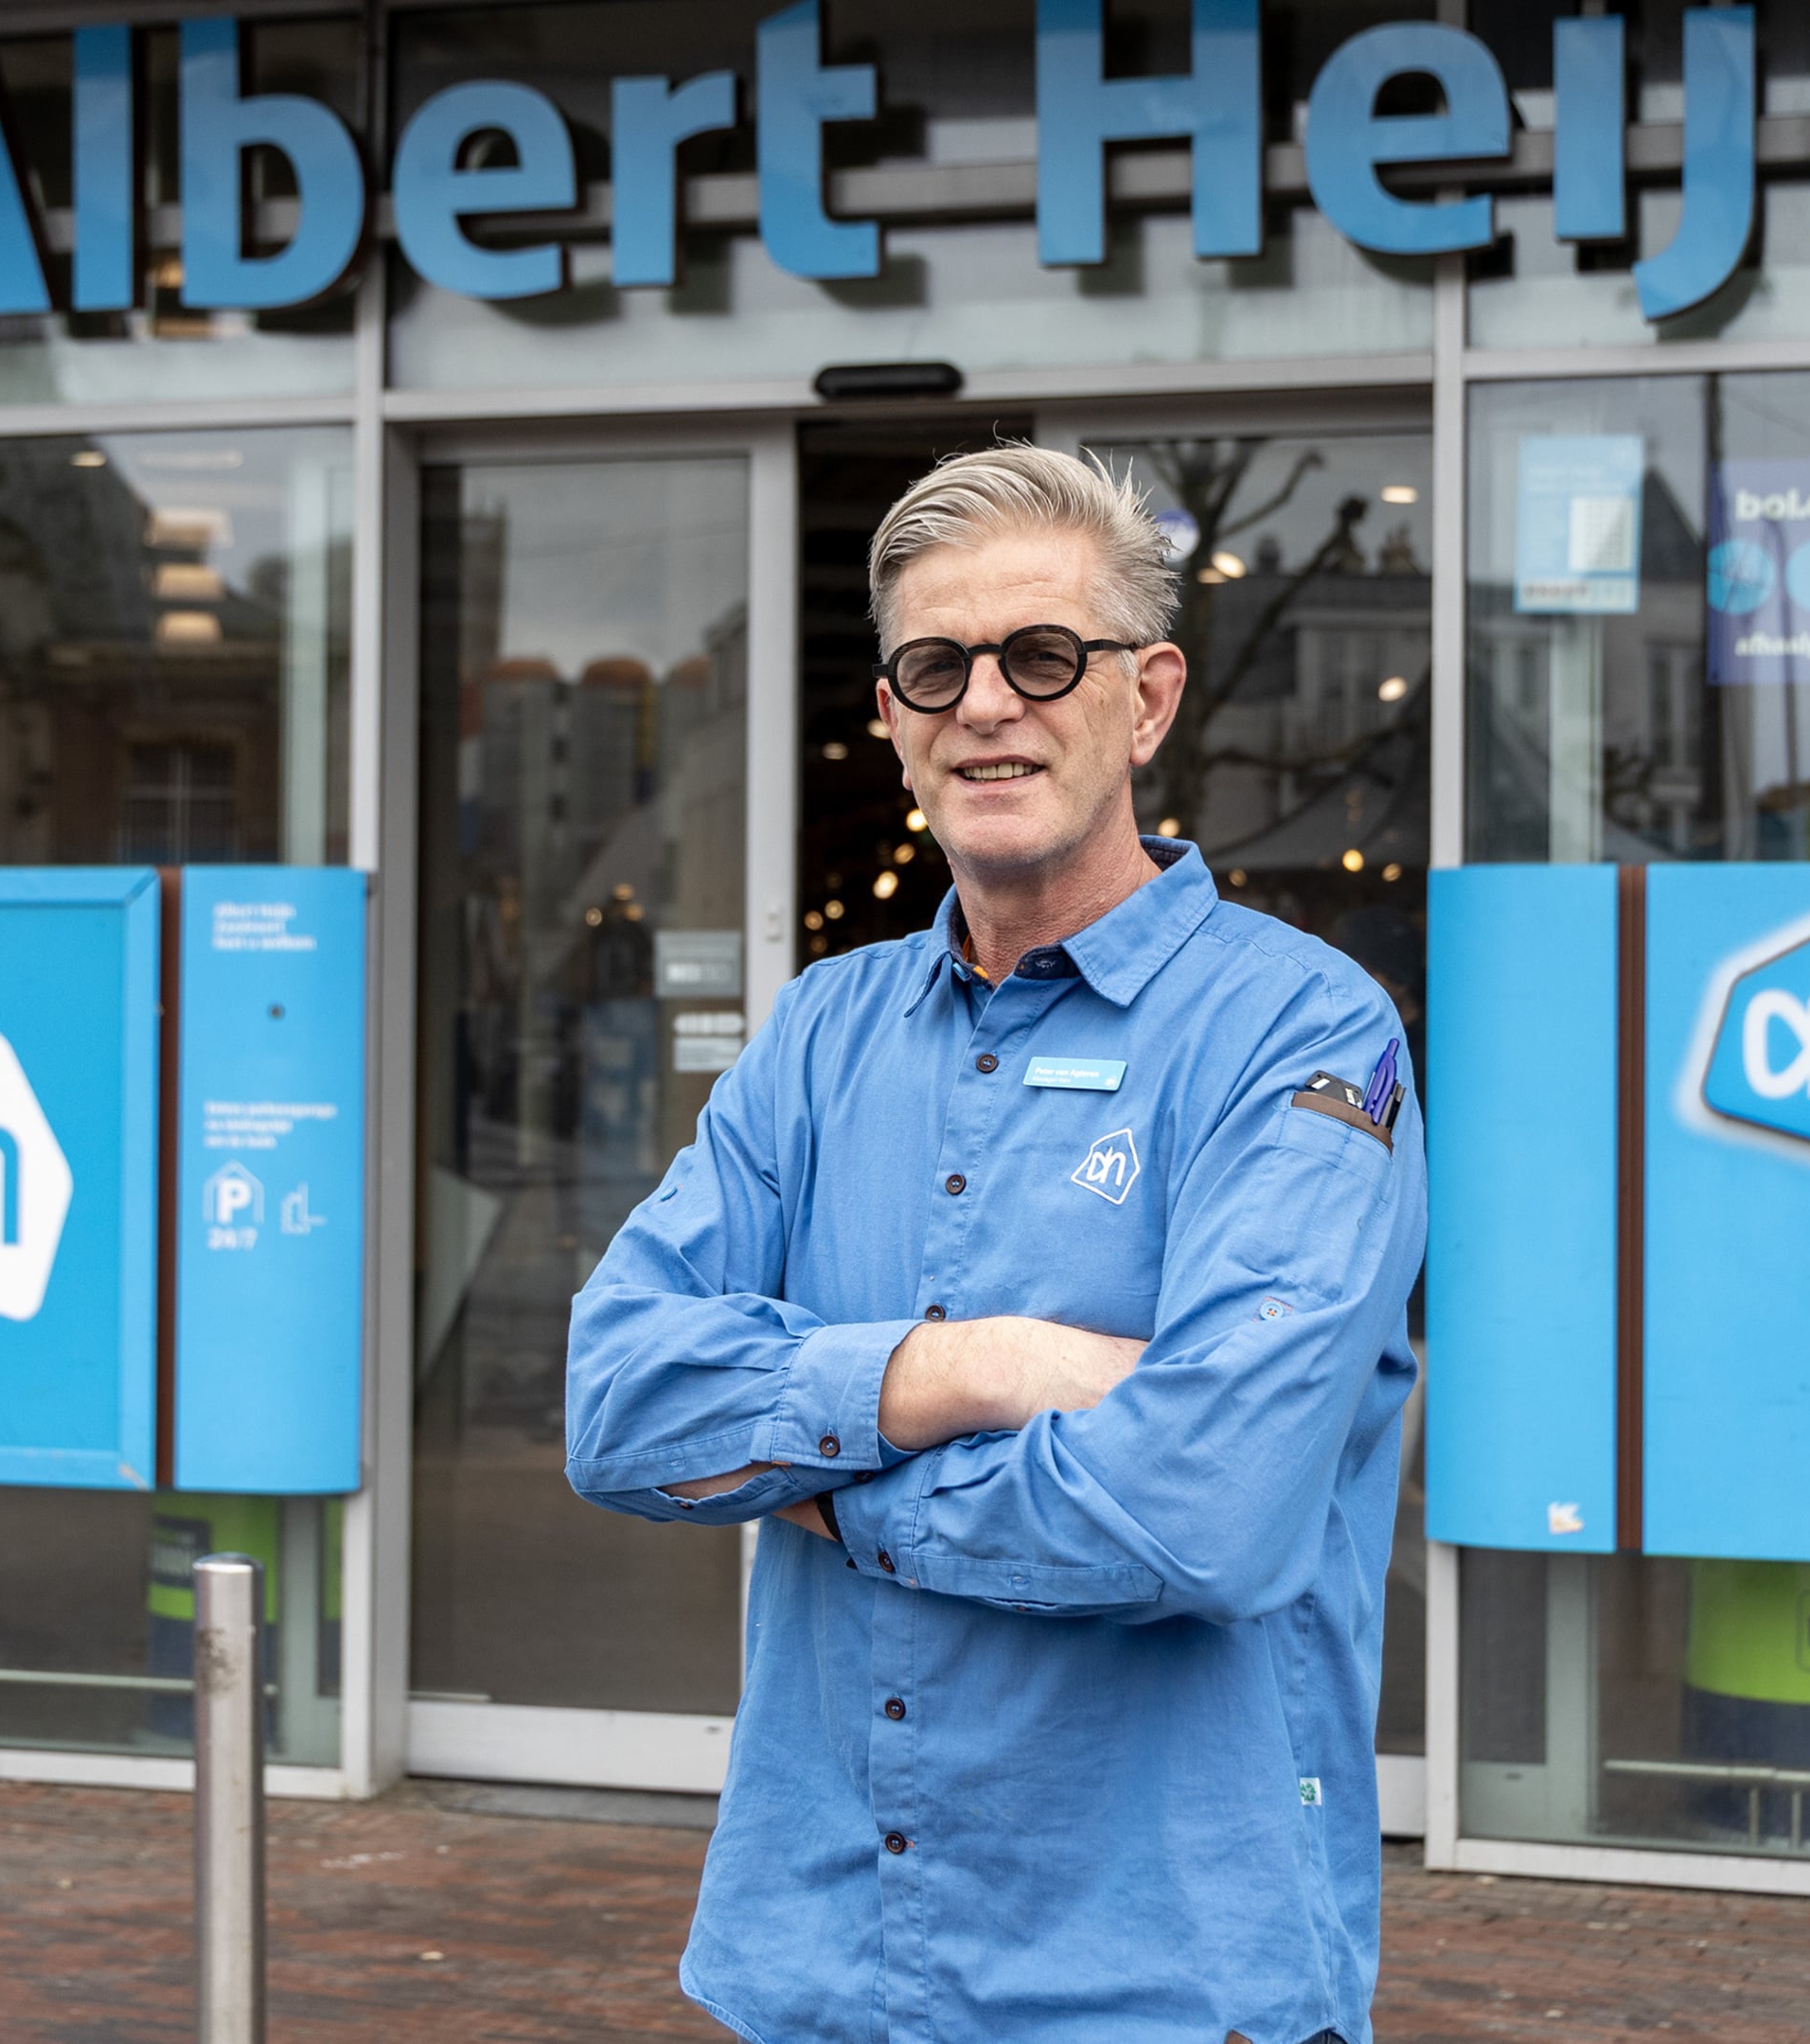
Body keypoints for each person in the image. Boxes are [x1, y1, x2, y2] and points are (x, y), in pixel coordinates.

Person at [564, 443, 1428, 2044]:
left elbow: (1208, 1514)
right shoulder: (822, 1033)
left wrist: (823, 1478)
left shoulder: (1302, 1034)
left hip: (1160, 1983)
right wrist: (970, 1371)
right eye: (935, 665)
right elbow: (616, 1400)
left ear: (1147, 700)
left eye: (1043, 655)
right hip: (820, 1964)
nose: (986, 705)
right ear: (889, 715)